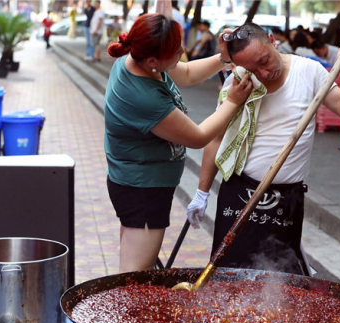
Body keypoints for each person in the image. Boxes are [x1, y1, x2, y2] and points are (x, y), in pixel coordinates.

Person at [187, 23, 340, 276]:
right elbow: (217, 139)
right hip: (239, 193)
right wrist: (201, 193)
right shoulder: (238, 84)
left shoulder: (309, 71)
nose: (264, 72)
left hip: (286, 198)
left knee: (283, 283)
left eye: (264, 60)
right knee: (228, 279)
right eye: (252, 69)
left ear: (272, 40)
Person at [105, 14, 253, 273]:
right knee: (135, 275)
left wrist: (223, 58)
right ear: (153, 61)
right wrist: (233, 101)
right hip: (142, 189)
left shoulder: (142, 60)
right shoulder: (143, 97)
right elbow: (197, 137)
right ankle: (133, 314)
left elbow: (185, 72)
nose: (182, 52)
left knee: (138, 270)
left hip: (142, 183)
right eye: (176, 50)